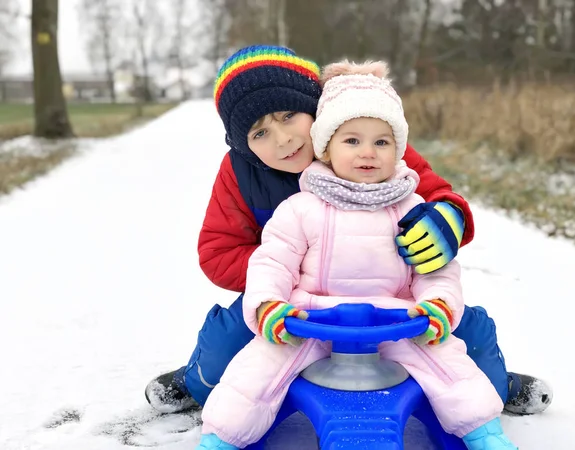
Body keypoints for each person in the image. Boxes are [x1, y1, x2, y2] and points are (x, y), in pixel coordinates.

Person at [144, 45, 552, 417]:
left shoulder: (367, 143)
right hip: (292, 299)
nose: (284, 139)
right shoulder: (239, 174)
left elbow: (435, 193)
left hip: (393, 291)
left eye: (289, 116)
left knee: (467, 329)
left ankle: (498, 386)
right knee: (228, 337)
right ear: (243, 146)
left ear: (315, 109)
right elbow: (217, 250)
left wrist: (448, 219)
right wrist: (291, 268)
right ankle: (196, 382)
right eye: (260, 133)